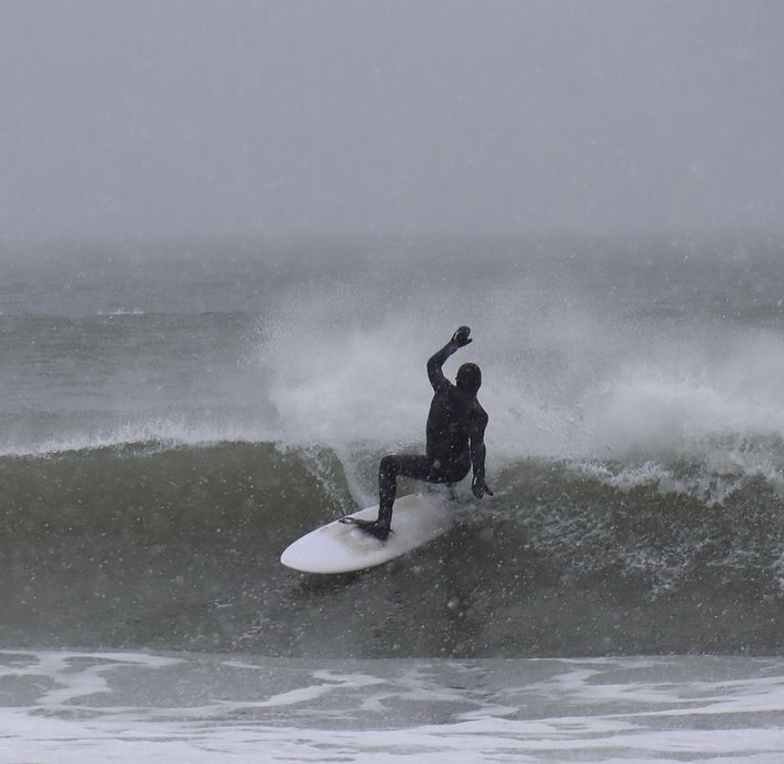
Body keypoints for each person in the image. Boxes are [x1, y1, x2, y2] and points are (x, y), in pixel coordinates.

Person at [345, 326, 492, 541]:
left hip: (438, 466)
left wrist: (453, 345)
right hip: (460, 469)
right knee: (458, 449)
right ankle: (450, 497)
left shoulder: (443, 389)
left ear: (457, 380)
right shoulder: (478, 414)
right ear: (478, 385)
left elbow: (433, 364)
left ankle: (383, 524)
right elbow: (478, 447)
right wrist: (478, 477)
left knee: (388, 464)